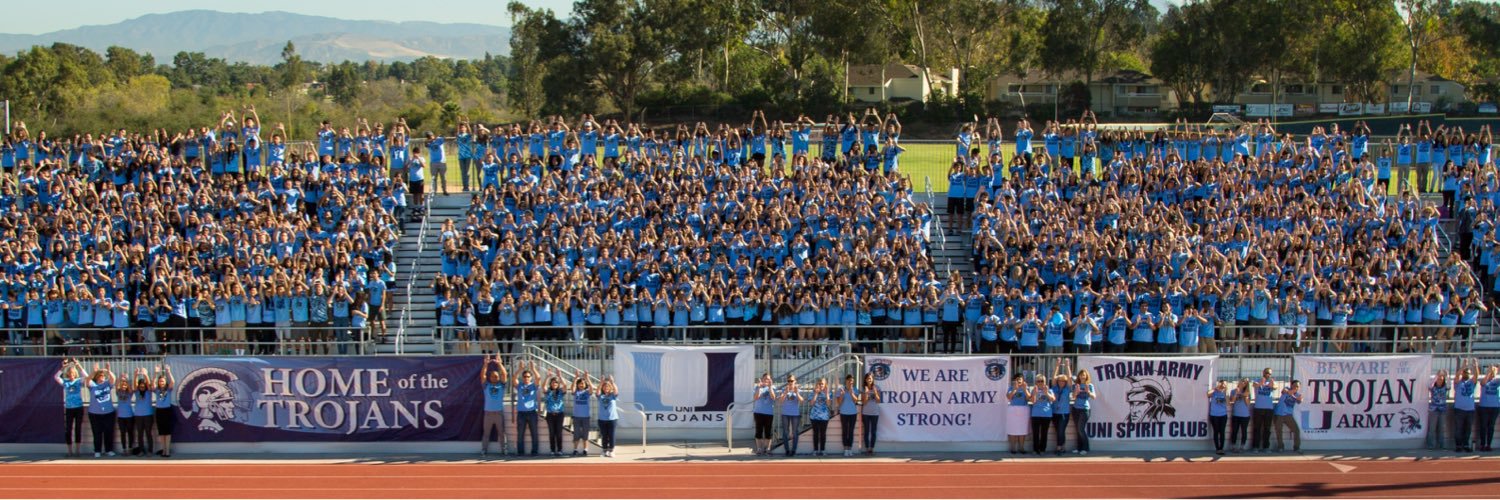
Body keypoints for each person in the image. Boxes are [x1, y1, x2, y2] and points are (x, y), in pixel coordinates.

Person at [54, 358, 85, 457]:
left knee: (78, 429)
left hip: (78, 407)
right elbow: (56, 377)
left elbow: (86, 376)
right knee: (68, 429)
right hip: (69, 408)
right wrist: (63, 368)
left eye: (73, 373)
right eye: (70, 373)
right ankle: (69, 451)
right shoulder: (65, 382)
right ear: (68, 374)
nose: (71, 375)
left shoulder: (78, 381)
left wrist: (78, 365)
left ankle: (78, 451)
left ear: (75, 374)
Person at [479, 354, 508, 456]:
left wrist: (500, 364)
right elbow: (482, 375)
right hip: (488, 413)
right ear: (490, 377)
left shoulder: (501, 385)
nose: (494, 378)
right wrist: (485, 364)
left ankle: (504, 449)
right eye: (492, 376)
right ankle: (484, 449)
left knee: (501, 433)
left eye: (496, 376)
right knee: (486, 433)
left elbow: (505, 374)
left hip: (498, 413)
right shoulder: (486, 385)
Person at [86, 363, 116, 458]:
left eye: (103, 376)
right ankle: (97, 450)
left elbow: (113, 379)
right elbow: (87, 380)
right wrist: (94, 372)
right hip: (95, 414)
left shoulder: (107, 384)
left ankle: (109, 450)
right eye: (100, 376)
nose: (101, 377)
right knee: (97, 433)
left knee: (109, 432)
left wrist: (108, 371)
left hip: (108, 413)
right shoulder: (93, 385)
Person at [514, 360, 541, 457]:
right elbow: (514, 379)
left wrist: (533, 368)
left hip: (532, 413)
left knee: (534, 433)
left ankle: (534, 451)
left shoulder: (533, 385)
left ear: (531, 378)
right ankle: (520, 452)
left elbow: (538, 378)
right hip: (521, 413)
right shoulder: (520, 385)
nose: (526, 378)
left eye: (528, 377)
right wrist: (519, 369)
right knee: (520, 434)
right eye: (524, 376)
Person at [152, 364, 176, 457]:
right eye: (160, 381)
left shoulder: (168, 389)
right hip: (159, 411)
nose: (161, 382)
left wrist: (168, 372)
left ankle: (167, 451)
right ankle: (163, 450)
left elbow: (173, 382)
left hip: (167, 411)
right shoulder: (157, 390)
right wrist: (155, 373)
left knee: (167, 431)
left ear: (165, 382)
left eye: (163, 381)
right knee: (161, 432)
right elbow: (152, 384)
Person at [1454, 359, 1478, 453]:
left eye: (1468, 373)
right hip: (1459, 409)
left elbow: (1476, 376)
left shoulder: (1472, 383)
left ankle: (1466, 444)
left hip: (1470, 410)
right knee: (1458, 428)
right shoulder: (1458, 382)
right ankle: (1458, 445)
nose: (1466, 374)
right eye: (1465, 372)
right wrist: (1463, 366)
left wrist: (1475, 366)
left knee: (1468, 429)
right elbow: (1456, 376)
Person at [543, 368, 567, 457]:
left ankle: (560, 450)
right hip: (550, 415)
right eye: (553, 382)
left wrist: (560, 376)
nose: (554, 384)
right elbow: (543, 387)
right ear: (551, 383)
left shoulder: (560, 392)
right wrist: (547, 377)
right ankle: (552, 450)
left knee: (559, 433)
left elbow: (565, 386)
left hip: (559, 414)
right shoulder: (548, 391)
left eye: (556, 382)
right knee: (552, 433)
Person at [1028, 374, 1055, 455]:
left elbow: (1053, 399)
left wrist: (1046, 393)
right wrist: (1035, 393)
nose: (1040, 383)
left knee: (1044, 433)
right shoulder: (1034, 390)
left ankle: (1042, 449)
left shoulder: (1049, 389)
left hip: (1046, 414)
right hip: (1035, 414)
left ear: (1045, 382)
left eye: (1042, 381)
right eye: (1038, 381)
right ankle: (1035, 449)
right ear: (1036, 382)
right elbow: (1032, 401)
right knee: (1035, 433)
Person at [130, 368, 155, 457]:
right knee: (140, 434)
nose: (142, 386)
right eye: (140, 385)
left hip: (148, 415)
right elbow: (134, 384)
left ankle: (150, 450)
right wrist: (136, 375)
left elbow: (149, 384)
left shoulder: (148, 392)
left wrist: (145, 374)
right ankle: (141, 450)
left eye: (143, 385)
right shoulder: (137, 392)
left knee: (148, 433)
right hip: (138, 416)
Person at [1050, 361, 1073, 455]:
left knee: (1061, 430)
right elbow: (1053, 378)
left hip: (1064, 413)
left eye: (1063, 381)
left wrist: (1067, 366)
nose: (1061, 382)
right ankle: (1063, 447)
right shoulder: (1054, 388)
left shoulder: (1068, 388)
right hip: (1055, 412)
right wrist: (1057, 365)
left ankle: (1059, 448)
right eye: (1060, 380)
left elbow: (1070, 379)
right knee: (1058, 431)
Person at [834, 374, 860, 457]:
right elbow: (838, 403)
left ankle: (850, 449)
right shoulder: (841, 389)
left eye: (852, 381)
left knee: (851, 431)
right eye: (849, 380)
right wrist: (842, 395)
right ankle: (845, 449)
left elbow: (855, 401)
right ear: (846, 381)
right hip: (844, 413)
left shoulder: (855, 389)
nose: (851, 382)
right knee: (845, 431)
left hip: (853, 413)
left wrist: (851, 393)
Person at [570, 370, 595, 456]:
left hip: (585, 416)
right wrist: (575, 378)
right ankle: (575, 449)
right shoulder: (576, 392)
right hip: (576, 416)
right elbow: (572, 388)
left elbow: (592, 388)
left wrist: (587, 378)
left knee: (585, 434)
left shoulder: (587, 392)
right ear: (578, 384)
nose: (581, 385)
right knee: (576, 434)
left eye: (583, 383)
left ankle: (585, 449)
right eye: (580, 383)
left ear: (585, 385)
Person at [1273, 379, 1302, 453]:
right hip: (1279, 414)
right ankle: (1280, 447)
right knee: (1279, 431)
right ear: (1291, 385)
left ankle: (1296, 447)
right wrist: (1294, 395)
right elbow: (1286, 392)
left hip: (1288, 415)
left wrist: (1297, 398)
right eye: (1295, 386)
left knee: (1296, 430)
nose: (1296, 387)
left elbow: (1300, 401)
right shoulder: (1286, 388)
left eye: (1298, 386)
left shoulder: (1298, 395)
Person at [1251, 368, 1276, 453]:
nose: (1268, 374)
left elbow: (1275, 387)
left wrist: (1272, 385)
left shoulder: (1271, 381)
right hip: (1258, 408)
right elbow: (1254, 385)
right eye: (1267, 373)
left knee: (1267, 429)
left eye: (1270, 373)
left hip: (1269, 409)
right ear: (1263, 373)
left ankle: (1266, 447)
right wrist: (1260, 384)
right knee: (1257, 428)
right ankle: (1255, 447)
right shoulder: (1257, 380)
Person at [778, 375, 803, 457]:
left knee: (795, 432)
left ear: (795, 381)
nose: (790, 382)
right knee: (785, 432)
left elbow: (802, 401)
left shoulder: (798, 390)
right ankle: (787, 450)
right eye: (788, 381)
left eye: (791, 381)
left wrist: (797, 393)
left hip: (795, 414)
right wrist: (785, 392)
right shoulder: (784, 389)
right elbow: (780, 401)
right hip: (785, 413)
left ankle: (793, 450)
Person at [752, 372, 777, 456]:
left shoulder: (773, 387)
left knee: (768, 432)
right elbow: (755, 398)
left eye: (768, 379)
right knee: (758, 431)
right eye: (765, 378)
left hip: (768, 413)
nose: (767, 380)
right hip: (758, 412)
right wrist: (759, 387)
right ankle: (759, 449)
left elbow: (773, 397)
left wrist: (770, 387)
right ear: (762, 379)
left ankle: (767, 448)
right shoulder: (757, 387)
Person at [1477, 359, 1499, 452]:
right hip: (1484, 407)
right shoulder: (1485, 380)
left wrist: (1497, 370)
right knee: (1483, 426)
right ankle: (1482, 444)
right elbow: (1483, 383)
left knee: (1491, 426)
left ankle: (1488, 444)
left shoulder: (1497, 381)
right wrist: (1489, 372)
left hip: (1495, 407)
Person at [1006, 374, 1030, 454]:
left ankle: (1022, 447)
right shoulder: (1011, 388)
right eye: (1017, 379)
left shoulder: (1026, 388)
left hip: (1023, 409)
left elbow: (1028, 398)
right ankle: (1013, 448)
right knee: (1013, 429)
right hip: (1013, 409)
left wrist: (1025, 389)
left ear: (1023, 380)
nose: (1019, 380)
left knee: (1022, 430)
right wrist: (1015, 389)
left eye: (1020, 379)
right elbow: (1009, 397)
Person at [1073, 368, 1095, 455]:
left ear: (1086, 376)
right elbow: (1073, 397)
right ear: (1078, 376)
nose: (1082, 376)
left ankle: (1085, 448)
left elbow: (1094, 397)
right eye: (1081, 375)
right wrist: (1076, 392)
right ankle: (1079, 448)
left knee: (1081, 429)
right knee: (1077, 429)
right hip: (1076, 409)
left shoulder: (1090, 385)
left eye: (1084, 375)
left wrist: (1088, 392)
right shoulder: (1076, 385)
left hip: (1085, 409)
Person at [808, 378, 832, 457]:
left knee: (823, 434)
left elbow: (828, 404)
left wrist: (827, 394)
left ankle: (822, 449)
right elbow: (811, 403)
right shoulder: (812, 393)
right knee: (815, 434)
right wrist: (816, 393)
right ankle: (815, 450)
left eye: (822, 384)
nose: (821, 385)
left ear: (825, 385)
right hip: (814, 416)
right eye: (819, 383)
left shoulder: (828, 393)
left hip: (824, 417)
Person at [860, 372, 882, 455]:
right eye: (867, 378)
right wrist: (866, 393)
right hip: (866, 413)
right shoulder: (863, 388)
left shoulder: (877, 388)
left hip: (875, 413)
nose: (869, 380)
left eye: (870, 378)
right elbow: (864, 402)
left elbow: (878, 401)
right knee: (866, 431)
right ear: (865, 380)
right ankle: (867, 448)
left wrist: (875, 393)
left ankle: (871, 448)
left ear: (873, 379)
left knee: (873, 431)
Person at [1429, 369, 1450, 451]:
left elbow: (1449, 385)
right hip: (1434, 409)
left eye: (1441, 379)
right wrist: (1436, 375)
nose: (1440, 380)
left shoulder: (1445, 387)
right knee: (1432, 428)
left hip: (1442, 409)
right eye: (1439, 378)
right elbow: (1430, 385)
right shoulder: (1433, 387)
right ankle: (1431, 445)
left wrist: (1447, 375)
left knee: (1441, 428)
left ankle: (1441, 445)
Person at [598, 375, 620, 458]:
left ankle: (612, 450)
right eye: (605, 386)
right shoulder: (600, 396)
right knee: (604, 435)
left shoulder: (612, 396)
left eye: (608, 386)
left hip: (612, 419)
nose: (606, 387)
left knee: (611, 435)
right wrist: (601, 383)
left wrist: (612, 382)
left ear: (610, 387)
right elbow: (597, 392)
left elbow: (616, 391)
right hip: (602, 419)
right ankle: (604, 450)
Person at [1229, 378, 1252, 453]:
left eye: (1245, 383)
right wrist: (1236, 393)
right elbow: (1232, 401)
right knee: (1234, 431)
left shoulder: (1247, 392)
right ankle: (1233, 446)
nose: (1243, 383)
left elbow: (1248, 404)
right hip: (1236, 414)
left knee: (1244, 431)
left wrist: (1244, 395)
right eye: (1242, 381)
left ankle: (1242, 446)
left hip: (1245, 415)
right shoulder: (1233, 391)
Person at [1208, 379, 1230, 455]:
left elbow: (1228, 403)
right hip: (1214, 415)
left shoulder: (1225, 393)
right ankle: (1217, 448)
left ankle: (1221, 448)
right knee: (1216, 431)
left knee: (1222, 432)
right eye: (1222, 384)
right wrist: (1216, 388)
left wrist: (1226, 391)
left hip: (1223, 415)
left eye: (1224, 384)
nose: (1223, 386)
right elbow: (1208, 394)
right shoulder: (1215, 391)